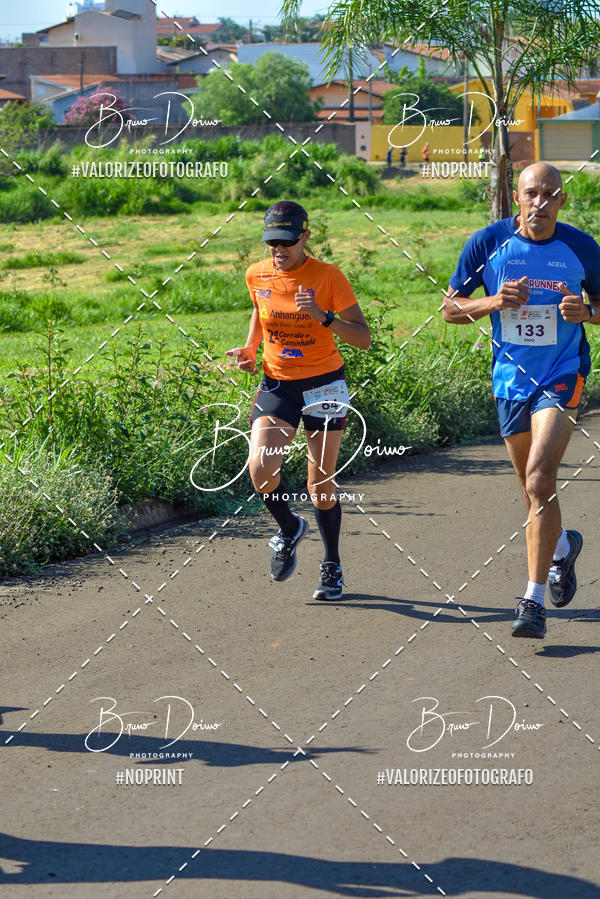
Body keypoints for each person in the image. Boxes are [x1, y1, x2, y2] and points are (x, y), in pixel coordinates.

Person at [443, 162, 600, 639]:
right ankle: (561, 549)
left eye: (550, 194)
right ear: (517, 197)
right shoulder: (487, 243)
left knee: (538, 476)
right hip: (511, 380)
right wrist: (492, 302)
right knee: (532, 491)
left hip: (562, 372)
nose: (540, 202)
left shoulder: (581, 247)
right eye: (532, 193)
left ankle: (532, 602)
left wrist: (587, 311)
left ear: (562, 200)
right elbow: (450, 309)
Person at [227, 201, 371, 600]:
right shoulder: (257, 274)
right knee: (260, 469)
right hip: (278, 385)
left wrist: (325, 317)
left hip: (324, 385)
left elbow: (363, 338)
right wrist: (250, 348)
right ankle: (289, 528)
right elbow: (261, 309)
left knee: (319, 482)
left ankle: (332, 564)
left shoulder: (328, 277)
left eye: (286, 242)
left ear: (305, 237)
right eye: (271, 242)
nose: (278, 249)